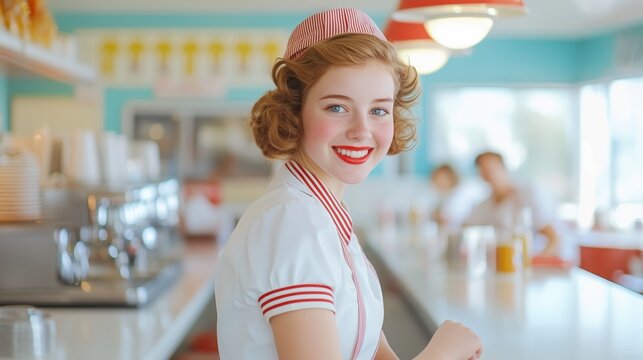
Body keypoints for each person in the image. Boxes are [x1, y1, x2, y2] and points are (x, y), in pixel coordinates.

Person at [214, 8, 482, 360]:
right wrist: (441, 354)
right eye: (337, 108)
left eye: (379, 110)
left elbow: (370, 347)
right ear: (295, 112)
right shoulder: (294, 223)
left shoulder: (324, 213)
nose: (361, 130)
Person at [466, 151, 560, 256]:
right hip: (499, 264)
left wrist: (535, 262)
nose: (489, 173)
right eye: (483, 169)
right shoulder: (482, 206)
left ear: (504, 168)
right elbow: (468, 232)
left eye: (492, 167)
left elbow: (554, 239)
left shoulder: (527, 194)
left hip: (527, 261)